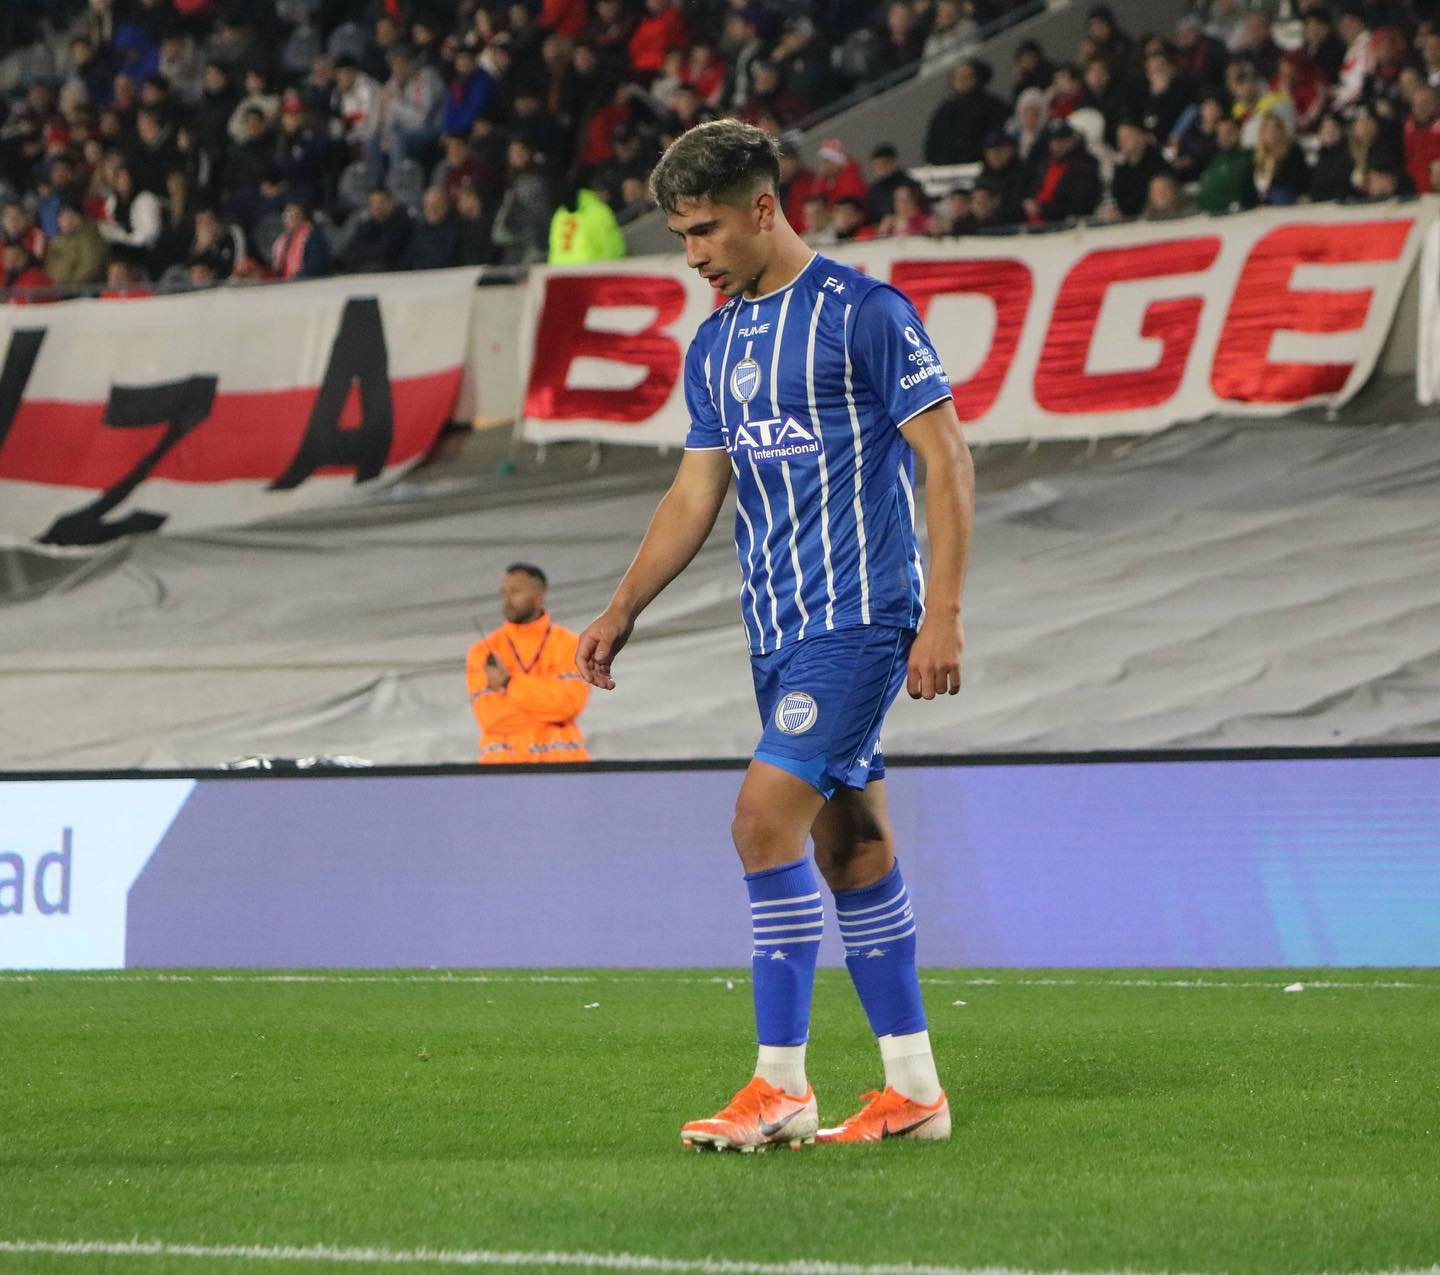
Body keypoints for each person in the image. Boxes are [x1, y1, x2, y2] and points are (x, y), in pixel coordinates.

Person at [575, 120, 973, 1152]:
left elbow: (948, 461)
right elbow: (695, 489)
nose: (693, 253)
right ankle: (914, 1090)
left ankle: (780, 1086)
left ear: (764, 209)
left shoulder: (865, 314)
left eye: (704, 229)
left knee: (763, 823)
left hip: (862, 617)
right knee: (853, 845)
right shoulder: (717, 344)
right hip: (779, 630)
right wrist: (622, 607)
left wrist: (943, 615)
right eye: (678, 236)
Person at [467, 563, 589, 764]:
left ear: (539, 595)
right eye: (503, 592)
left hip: (562, 771)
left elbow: (568, 705)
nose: (507, 600)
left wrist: (509, 684)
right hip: (502, 770)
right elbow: (491, 717)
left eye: (515, 591)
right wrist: (549, 711)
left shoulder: (570, 645)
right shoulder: (484, 650)